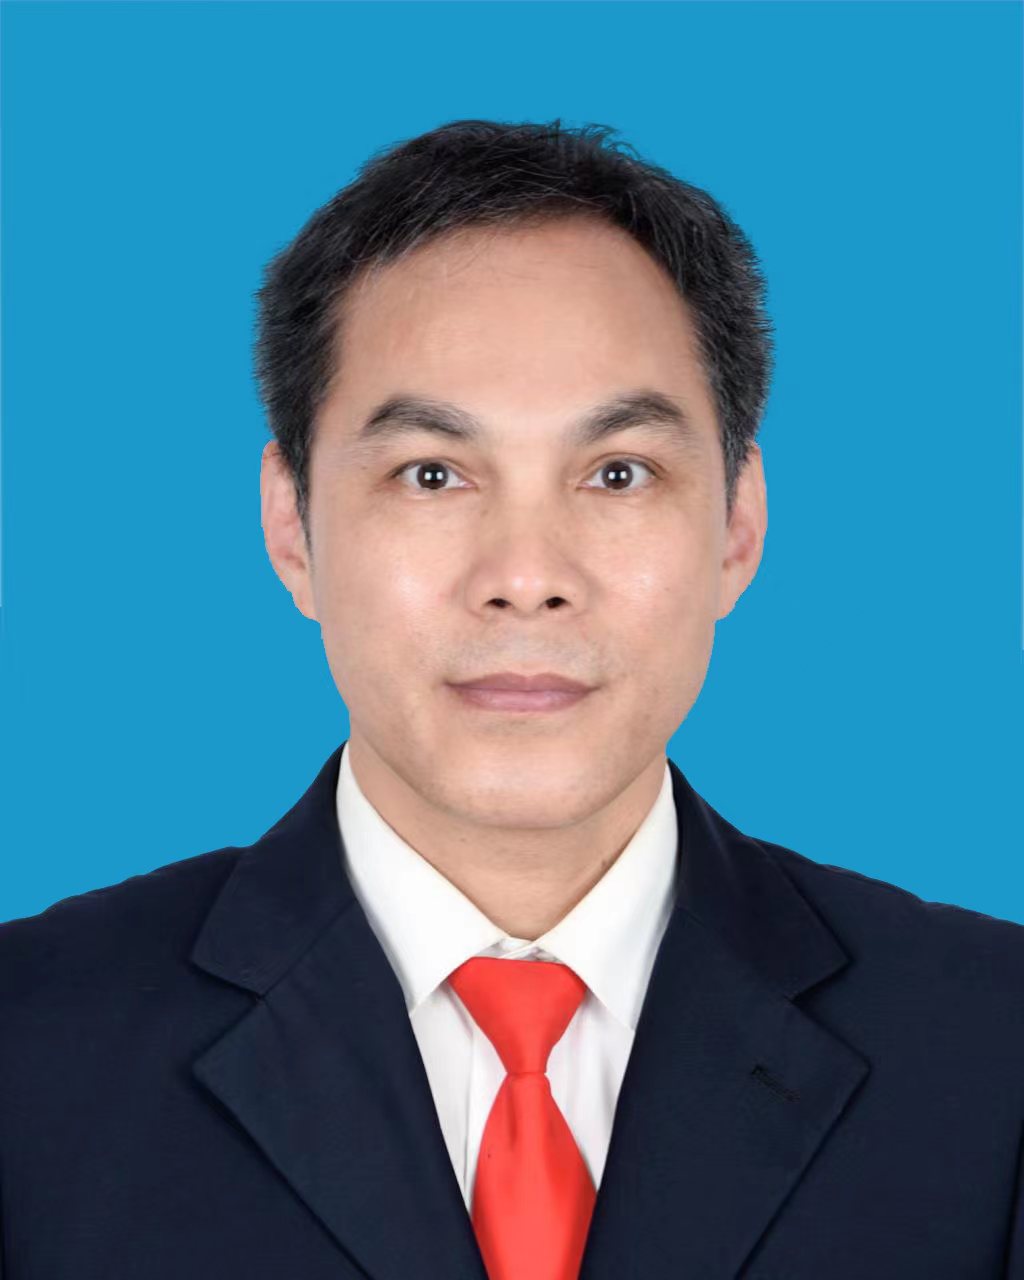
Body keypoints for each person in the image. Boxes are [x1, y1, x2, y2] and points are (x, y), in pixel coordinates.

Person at [0, 118, 1021, 1280]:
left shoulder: (992, 1052)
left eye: (617, 472)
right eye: (432, 473)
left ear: (737, 525)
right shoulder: (29, 1049)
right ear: (292, 525)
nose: (526, 576)